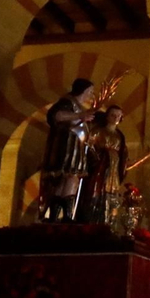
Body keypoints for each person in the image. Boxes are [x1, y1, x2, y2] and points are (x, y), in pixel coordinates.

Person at [39, 79, 101, 221]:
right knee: (64, 178)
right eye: (90, 91)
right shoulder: (67, 102)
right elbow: (57, 115)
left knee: (71, 179)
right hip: (66, 146)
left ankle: (66, 215)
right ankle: (56, 215)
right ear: (82, 90)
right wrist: (80, 115)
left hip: (76, 147)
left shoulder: (80, 107)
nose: (91, 95)